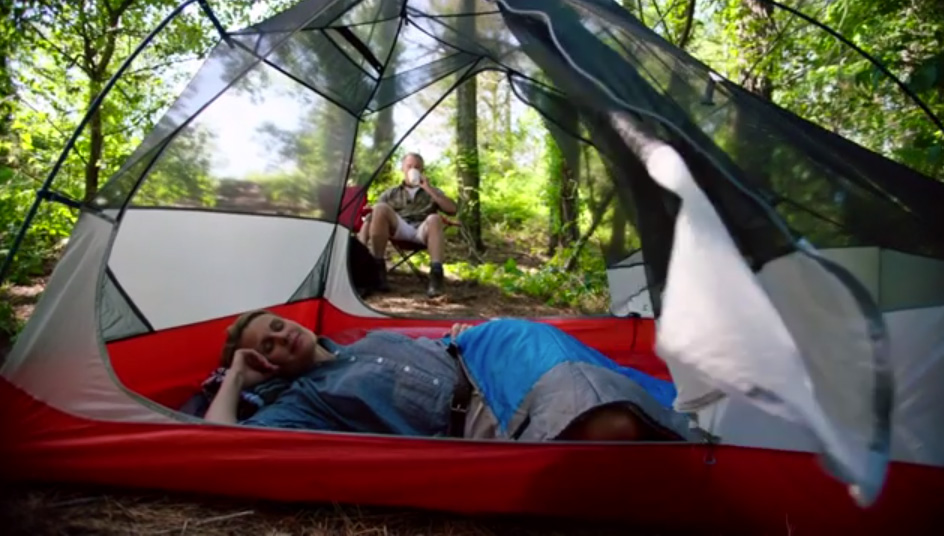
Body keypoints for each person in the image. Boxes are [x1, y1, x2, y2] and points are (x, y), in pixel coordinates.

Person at [202, 309, 702, 443]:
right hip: (475, 411)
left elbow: (430, 352)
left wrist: (454, 337)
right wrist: (236, 377)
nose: (281, 337)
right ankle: (691, 422)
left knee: (540, 346)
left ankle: (693, 409)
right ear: (265, 365)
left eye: (276, 326)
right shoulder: (305, 402)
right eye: (265, 346)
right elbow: (222, 444)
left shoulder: (361, 342)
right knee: (610, 424)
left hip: (484, 351)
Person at [358, 152, 457, 297]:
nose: (413, 169)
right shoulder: (391, 193)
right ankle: (378, 269)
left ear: (422, 170)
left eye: (417, 167)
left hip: (423, 230)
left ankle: (436, 277)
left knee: (435, 218)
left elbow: (452, 210)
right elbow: (372, 217)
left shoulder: (433, 191)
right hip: (399, 228)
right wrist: (361, 246)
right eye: (409, 166)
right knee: (380, 208)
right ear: (403, 168)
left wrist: (428, 189)